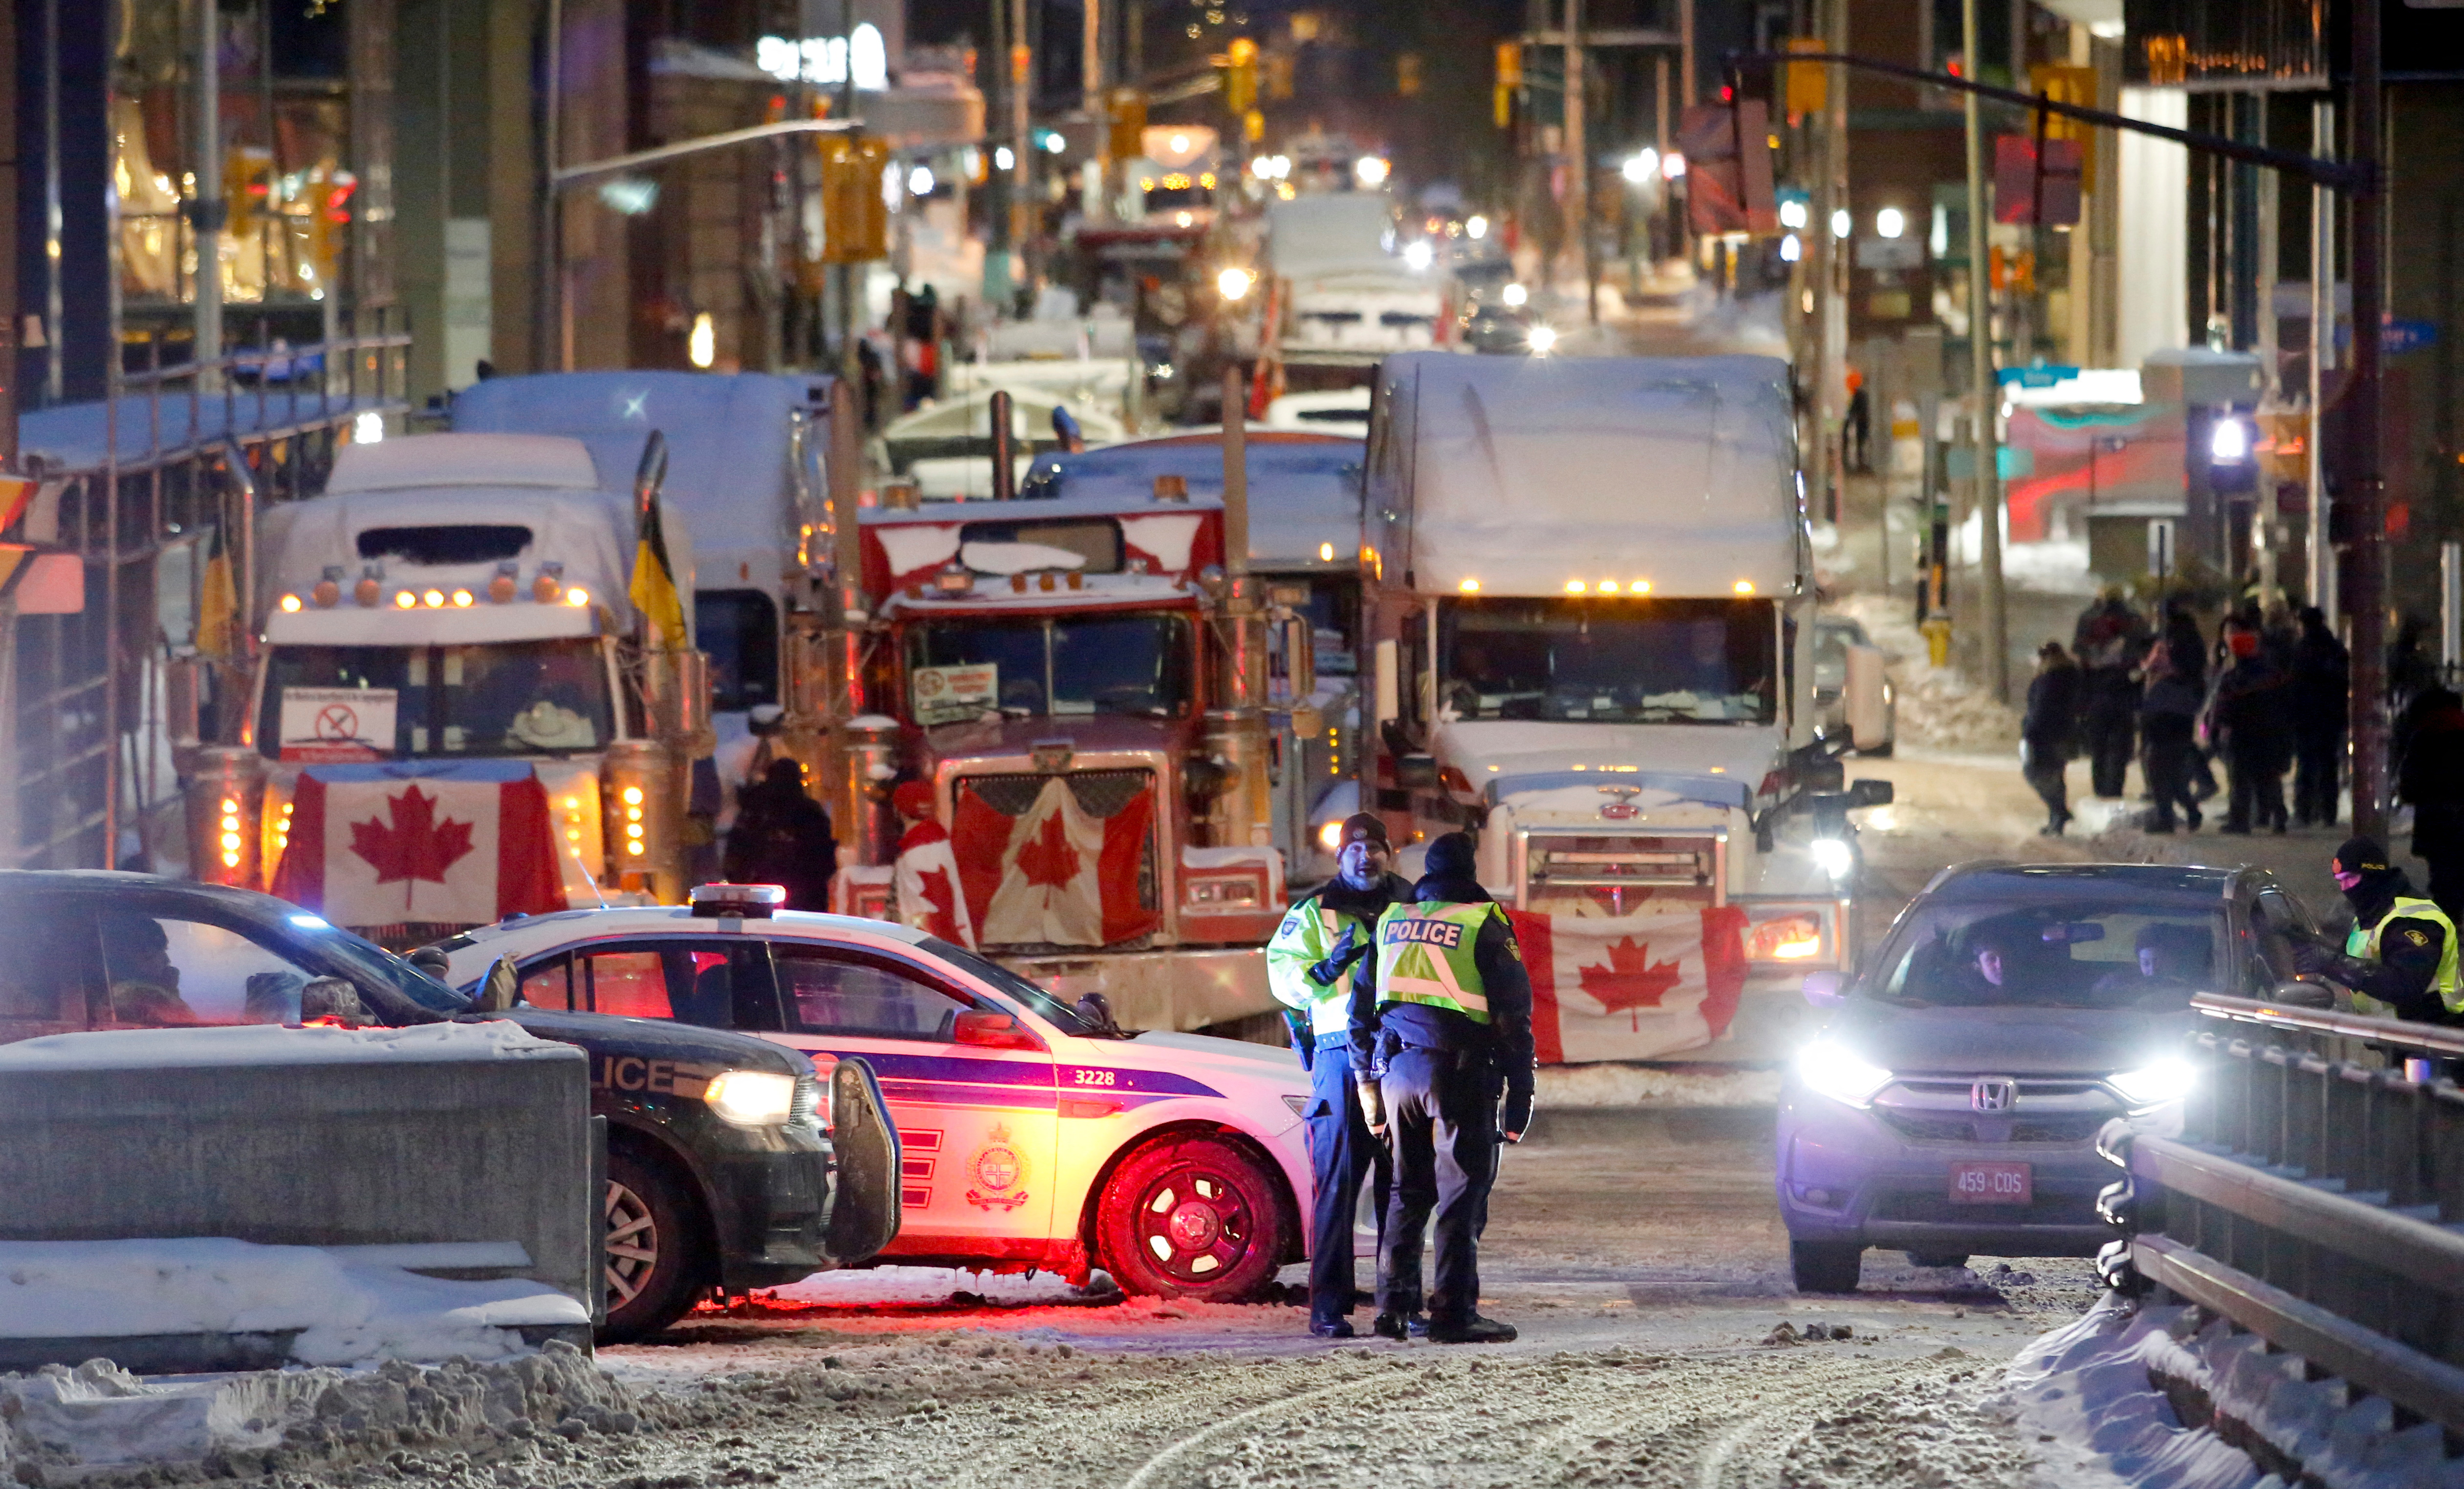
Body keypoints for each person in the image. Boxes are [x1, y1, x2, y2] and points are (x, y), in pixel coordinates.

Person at [1351, 832, 1535, 1345]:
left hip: (1397, 1074)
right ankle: (1453, 1312)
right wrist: (1521, 1097)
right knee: (1460, 1195)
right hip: (1459, 1072)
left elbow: (1358, 1013)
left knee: (1405, 1193)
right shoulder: (1482, 922)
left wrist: (1368, 1083)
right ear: (1469, 869)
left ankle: (1392, 1310)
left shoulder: (1392, 921)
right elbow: (1514, 1017)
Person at [1265, 813, 1412, 1338]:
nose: (1364, 856)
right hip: (1337, 1055)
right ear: (1339, 858)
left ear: (1389, 854)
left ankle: (1401, 1304)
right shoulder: (1312, 912)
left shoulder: (1415, 905)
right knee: (1337, 1185)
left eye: (1374, 847)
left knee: (1403, 1188)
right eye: (1354, 848)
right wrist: (1324, 971)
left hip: (1400, 1055)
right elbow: (1282, 973)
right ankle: (1328, 1307)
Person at [2291, 836, 2461, 1023]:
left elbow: (2406, 985)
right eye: (2340, 881)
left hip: (2436, 1034)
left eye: (2350, 878)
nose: (2345, 888)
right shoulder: (2370, 915)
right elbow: (2348, 959)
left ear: (2373, 874)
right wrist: (2310, 945)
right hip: (2399, 1035)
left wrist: (2332, 961)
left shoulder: (2415, 920)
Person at [2204, 620, 2291, 834]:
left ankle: (2240, 821)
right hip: (2268, 733)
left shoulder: (2233, 678)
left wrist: (2216, 730)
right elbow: (2285, 703)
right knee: (2269, 777)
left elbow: (2222, 709)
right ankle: (2278, 817)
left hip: (2241, 735)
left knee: (2240, 780)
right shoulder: (2272, 675)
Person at [722, 759, 837, 911]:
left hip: (769, 897)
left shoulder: (754, 813)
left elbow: (735, 856)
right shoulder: (810, 813)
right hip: (795, 899)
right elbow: (825, 859)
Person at [2072, 588, 2149, 800]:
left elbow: (2080, 653)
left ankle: (2101, 790)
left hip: (2097, 692)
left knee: (2099, 746)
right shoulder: (2134, 620)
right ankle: (2114, 789)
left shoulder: (2088, 619)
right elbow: (2143, 652)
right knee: (2119, 745)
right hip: (2124, 691)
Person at [2397, 686, 2464, 918]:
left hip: (2435, 819)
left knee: (2443, 875)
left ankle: (2452, 920)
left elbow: (2410, 783)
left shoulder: (2424, 738)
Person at [2139, 610, 2205, 833]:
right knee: (2174, 775)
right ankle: (2188, 811)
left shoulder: (2165, 679)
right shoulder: (2193, 654)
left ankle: (2167, 818)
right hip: (2180, 727)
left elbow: (2152, 712)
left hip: (2163, 728)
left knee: (2159, 775)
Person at [891, 781, 976, 949]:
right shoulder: (938, 843)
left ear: (900, 811)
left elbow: (932, 914)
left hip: (936, 954)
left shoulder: (918, 853)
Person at [2290, 607, 2350, 829]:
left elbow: (2295, 685)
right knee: (2328, 765)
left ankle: (2304, 812)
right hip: (2330, 716)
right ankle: (2328, 813)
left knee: (2306, 765)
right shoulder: (2335, 649)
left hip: (2307, 716)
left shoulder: (2302, 649)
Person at [2022, 641, 2083, 835]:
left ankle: (2059, 812)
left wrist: (2030, 732)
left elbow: (2040, 710)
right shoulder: (2071, 676)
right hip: (2064, 734)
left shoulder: (2049, 679)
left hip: (2044, 736)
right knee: (2055, 775)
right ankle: (2056, 818)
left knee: (2036, 773)